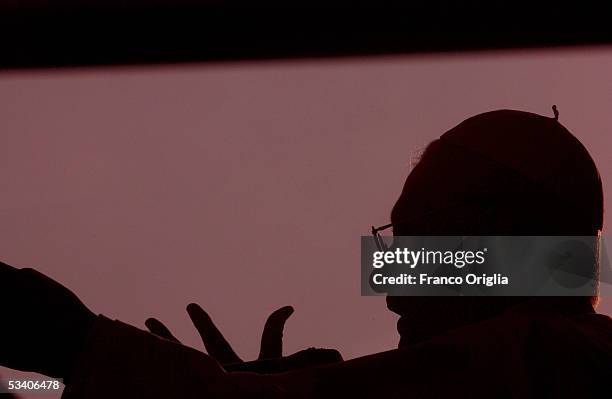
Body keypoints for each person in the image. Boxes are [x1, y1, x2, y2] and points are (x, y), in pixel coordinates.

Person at [1, 108, 610, 398]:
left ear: (494, 240)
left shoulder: (543, 361)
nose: (394, 287)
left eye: (417, 244)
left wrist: (67, 335)